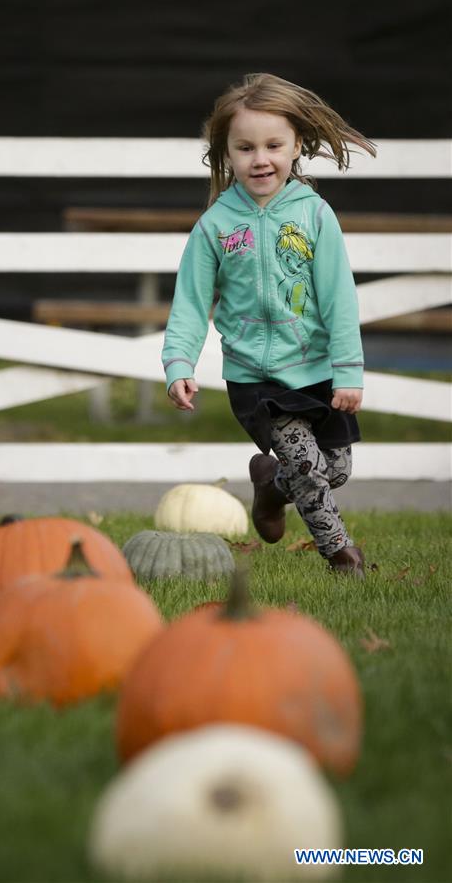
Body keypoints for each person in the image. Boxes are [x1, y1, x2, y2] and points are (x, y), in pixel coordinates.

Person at [162, 72, 376, 578]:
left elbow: (340, 298)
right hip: (256, 379)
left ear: (296, 145)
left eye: (274, 145)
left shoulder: (315, 216)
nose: (261, 159)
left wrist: (348, 369)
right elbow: (191, 302)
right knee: (307, 466)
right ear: (226, 153)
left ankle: (269, 485)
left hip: (318, 369)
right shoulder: (215, 226)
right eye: (246, 147)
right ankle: (341, 555)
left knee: (334, 469)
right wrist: (178, 362)